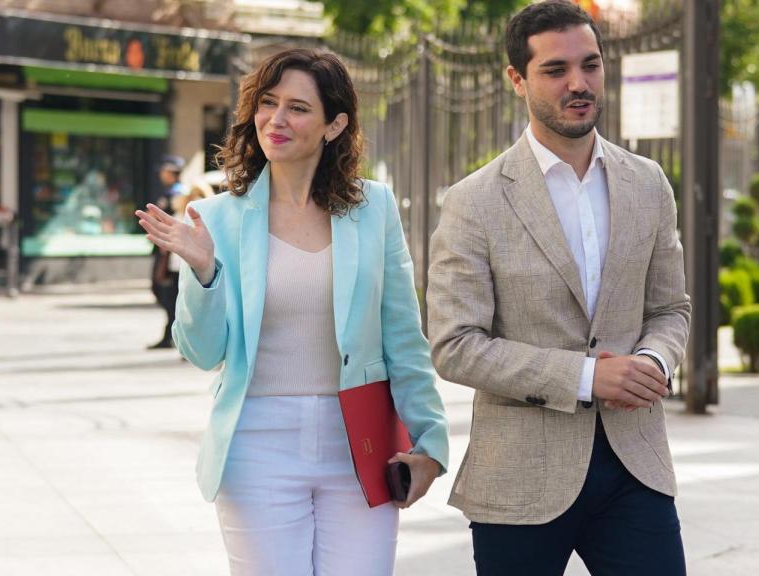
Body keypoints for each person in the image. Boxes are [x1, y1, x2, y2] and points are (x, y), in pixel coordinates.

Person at [135, 48, 448, 576]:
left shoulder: (374, 209)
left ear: (335, 124)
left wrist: (430, 444)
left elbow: (403, 337)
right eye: (268, 102)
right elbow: (203, 352)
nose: (276, 119)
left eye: (298, 108)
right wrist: (204, 271)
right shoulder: (215, 218)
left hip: (360, 444)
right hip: (256, 444)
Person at [427, 2, 691, 575]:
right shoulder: (474, 202)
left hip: (635, 464)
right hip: (519, 475)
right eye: (555, 70)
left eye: (590, 65)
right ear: (517, 79)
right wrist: (588, 376)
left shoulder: (648, 183)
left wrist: (651, 360)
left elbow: (671, 307)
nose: (579, 83)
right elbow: (455, 344)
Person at [148, 155, 185, 349]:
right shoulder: (168, 193)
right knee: (161, 291)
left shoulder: (181, 195)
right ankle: (170, 331)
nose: (162, 174)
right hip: (163, 251)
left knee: (169, 293)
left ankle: (173, 333)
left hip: (172, 253)